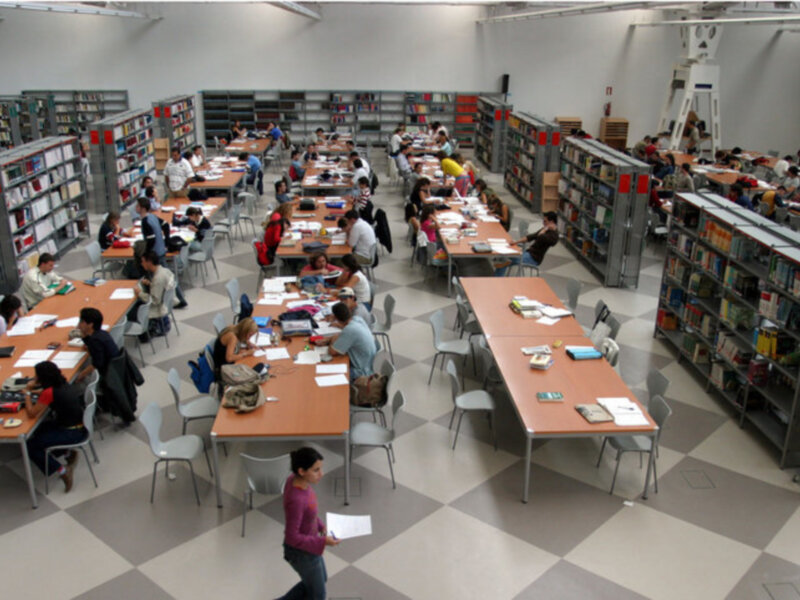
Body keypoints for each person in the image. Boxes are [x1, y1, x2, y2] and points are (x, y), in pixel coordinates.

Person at [277, 446, 339, 600]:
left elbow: (309, 512)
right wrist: (323, 540)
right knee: (318, 595)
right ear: (301, 471)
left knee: (317, 582)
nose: (321, 474)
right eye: (316, 470)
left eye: (320, 469)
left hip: (309, 548)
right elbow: (292, 537)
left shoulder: (296, 481)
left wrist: (320, 526)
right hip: (302, 553)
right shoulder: (296, 500)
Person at [23, 361, 86, 493]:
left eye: (36, 376)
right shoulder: (62, 383)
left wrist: (27, 393)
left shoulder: (49, 393)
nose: (34, 378)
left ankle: (63, 471)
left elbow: (31, 413)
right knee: (39, 430)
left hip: (70, 432)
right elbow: (47, 393)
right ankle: (67, 452)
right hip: (77, 425)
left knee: (30, 445)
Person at [494, 211, 560, 277]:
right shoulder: (545, 229)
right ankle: (497, 278)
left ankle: (497, 279)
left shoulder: (554, 235)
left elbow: (541, 236)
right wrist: (516, 242)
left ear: (551, 222)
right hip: (528, 253)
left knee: (505, 258)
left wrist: (545, 229)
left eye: (545, 221)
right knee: (504, 258)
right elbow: (530, 237)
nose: (543, 223)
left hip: (533, 259)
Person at [129, 250, 176, 337]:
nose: (142, 264)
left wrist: (139, 293)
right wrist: (151, 285)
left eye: (143, 262)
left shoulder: (158, 278)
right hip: (165, 304)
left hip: (157, 308)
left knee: (131, 311)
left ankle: (143, 331)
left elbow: (154, 301)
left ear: (149, 262)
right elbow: (161, 289)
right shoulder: (164, 271)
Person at [325, 303, 376, 379]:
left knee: (330, 374)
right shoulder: (357, 319)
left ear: (336, 318)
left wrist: (332, 339)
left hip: (361, 371)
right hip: (368, 363)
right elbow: (345, 333)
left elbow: (332, 352)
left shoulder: (350, 330)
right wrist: (328, 339)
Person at [75, 307, 120, 386]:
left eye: (81, 322)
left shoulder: (95, 341)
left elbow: (97, 364)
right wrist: (84, 335)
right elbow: (90, 346)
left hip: (108, 374)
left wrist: (82, 374)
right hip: (115, 368)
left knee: (76, 378)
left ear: (90, 324)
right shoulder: (102, 333)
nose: (78, 325)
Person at [213, 318, 258, 383]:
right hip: (223, 369)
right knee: (251, 373)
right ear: (244, 331)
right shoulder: (232, 337)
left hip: (222, 361)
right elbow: (229, 358)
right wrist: (246, 353)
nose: (249, 338)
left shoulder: (234, 327)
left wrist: (247, 342)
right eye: (249, 335)